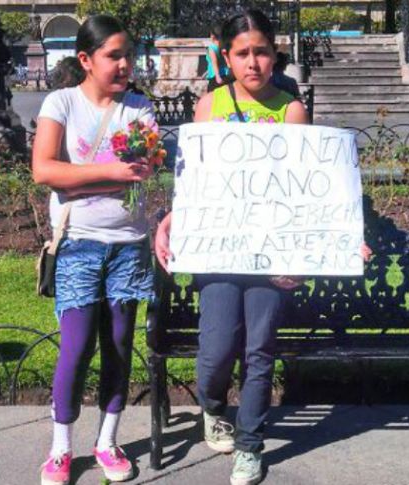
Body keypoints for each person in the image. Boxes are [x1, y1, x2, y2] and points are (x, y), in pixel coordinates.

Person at [154, 10, 373, 485]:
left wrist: (335, 241)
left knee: (259, 351)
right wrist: (171, 219)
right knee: (213, 352)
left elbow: (309, 191)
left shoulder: (291, 109)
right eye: (243, 53)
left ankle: (250, 446)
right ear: (226, 55)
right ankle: (213, 406)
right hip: (220, 249)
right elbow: (196, 184)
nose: (253, 62)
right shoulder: (209, 106)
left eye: (262, 51)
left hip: (273, 253)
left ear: (275, 54)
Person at [31, 14, 159, 485]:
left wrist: (87, 175)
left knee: (119, 347)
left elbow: (145, 165)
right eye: (113, 56)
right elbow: (44, 170)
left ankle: (107, 441)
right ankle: (60, 448)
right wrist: (114, 173)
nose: (125, 64)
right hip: (80, 244)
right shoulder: (61, 102)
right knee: (77, 345)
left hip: (128, 244)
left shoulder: (140, 108)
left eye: (129, 54)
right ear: (86, 59)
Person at [204, 24, 230, 93]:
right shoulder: (223, 46)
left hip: (215, 76)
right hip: (225, 74)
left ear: (212, 36)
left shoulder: (212, 48)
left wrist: (218, 77)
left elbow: (214, 63)